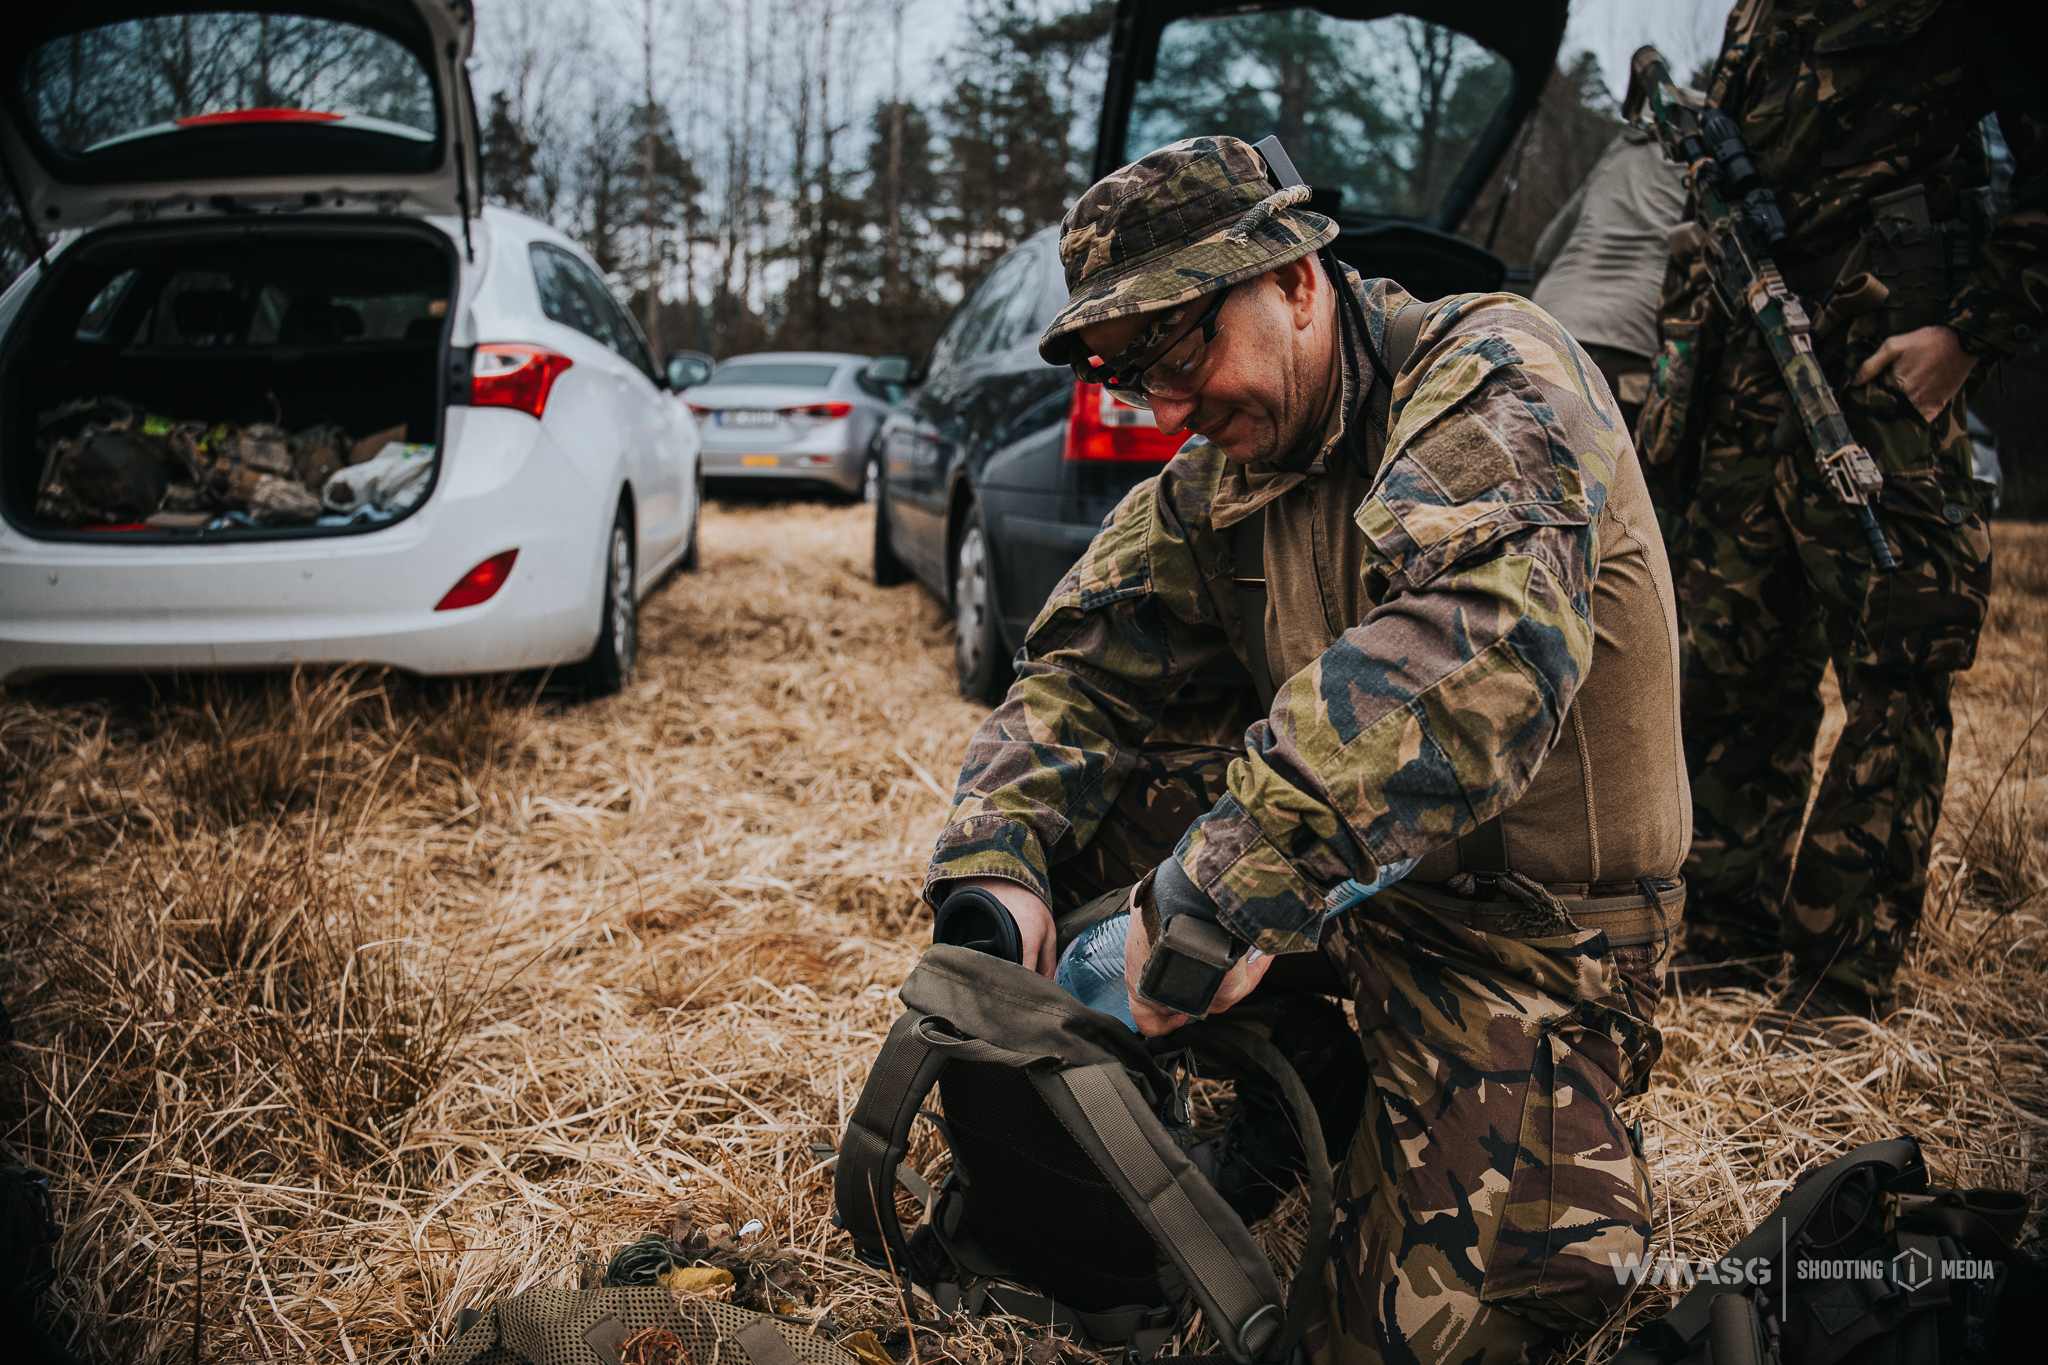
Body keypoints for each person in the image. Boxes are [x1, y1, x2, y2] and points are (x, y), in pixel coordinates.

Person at [922, 134, 1689, 1365]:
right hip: (1343, 897)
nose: (1168, 408)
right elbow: (1077, 664)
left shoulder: (1500, 371)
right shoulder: (1232, 458)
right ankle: (1302, 1081)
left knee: (1433, 1333)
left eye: (1180, 356)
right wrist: (994, 861)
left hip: (1530, 938)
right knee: (1068, 820)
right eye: (1135, 381)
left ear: (1295, 280)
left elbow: (1484, 648)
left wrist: (1217, 887)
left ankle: (1361, 1100)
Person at [1637, 0, 2046, 1007]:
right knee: (1726, 654)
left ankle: (1839, 975)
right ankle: (1722, 932)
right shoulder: (1759, 8)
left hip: (1877, 371)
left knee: (1895, 665)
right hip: (1744, 363)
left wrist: (1965, 335)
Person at [1529, 124, 1689, 433]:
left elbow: (1544, 252)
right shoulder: (1716, 159)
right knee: (1610, 474)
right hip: (1631, 341)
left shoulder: (1624, 148)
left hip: (1545, 326)